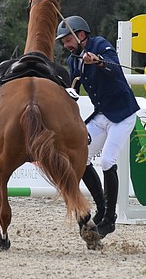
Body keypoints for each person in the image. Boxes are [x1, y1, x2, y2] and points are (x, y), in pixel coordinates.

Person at [56, 15, 140, 237]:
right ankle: (101, 209)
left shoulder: (100, 44)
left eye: (67, 40)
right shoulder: (73, 60)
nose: (65, 45)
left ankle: (110, 218)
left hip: (122, 115)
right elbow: (74, 88)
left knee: (106, 161)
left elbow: (114, 67)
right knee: (80, 159)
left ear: (81, 35)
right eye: (63, 42)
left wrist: (99, 61)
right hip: (101, 116)